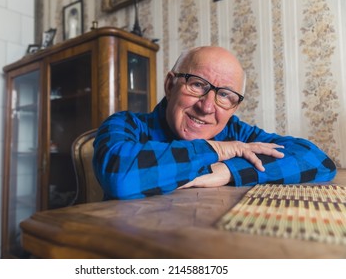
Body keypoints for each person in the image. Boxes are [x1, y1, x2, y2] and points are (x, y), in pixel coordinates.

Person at [93, 46, 337, 200]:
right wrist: (218, 149)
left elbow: (317, 160)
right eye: (198, 84)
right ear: (170, 85)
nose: (207, 107)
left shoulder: (235, 131)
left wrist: (227, 171)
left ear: (234, 107)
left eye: (224, 95)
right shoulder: (126, 124)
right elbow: (120, 175)